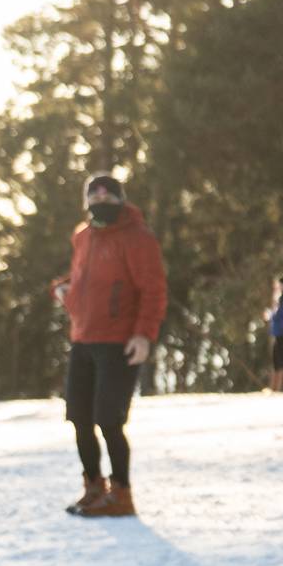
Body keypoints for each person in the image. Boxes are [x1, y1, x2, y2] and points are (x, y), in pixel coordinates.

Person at [52, 172, 165, 517]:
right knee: (79, 418)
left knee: (108, 420)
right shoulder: (83, 236)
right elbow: (82, 280)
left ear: (120, 199)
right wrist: (63, 290)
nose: (101, 197)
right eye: (94, 193)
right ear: (86, 201)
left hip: (119, 341)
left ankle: (122, 493)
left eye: (108, 193)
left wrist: (143, 335)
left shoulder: (138, 238)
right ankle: (93, 487)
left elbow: (153, 290)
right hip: (83, 337)